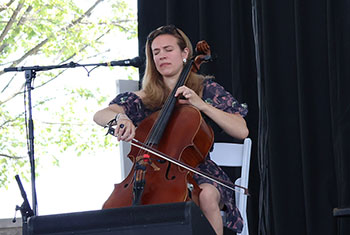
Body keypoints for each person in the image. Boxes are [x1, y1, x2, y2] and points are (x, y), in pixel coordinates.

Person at [93, 25, 249, 235]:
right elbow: (100, 115)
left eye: (168, 49)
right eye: (156, 52)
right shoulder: (144, 97)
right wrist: (119, 117)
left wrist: (202, 105)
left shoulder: (205, 89)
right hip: (148, 174)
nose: (161, 56)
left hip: (198, 172)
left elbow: (241, 130)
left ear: (185, 53)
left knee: (207, 196)